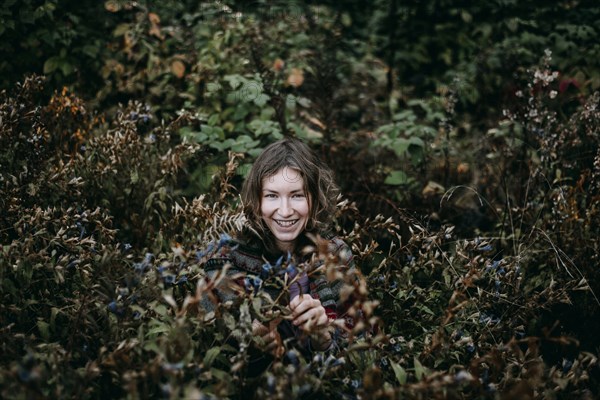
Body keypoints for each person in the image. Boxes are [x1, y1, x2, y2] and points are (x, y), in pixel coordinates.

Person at [200, 137, 355, 367]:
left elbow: (363, 352)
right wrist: (249, 341)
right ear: (257, 200)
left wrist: (324, 339)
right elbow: (208, 348)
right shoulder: (224, 258)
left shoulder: (335, 255)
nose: (285, 211)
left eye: (297, 195)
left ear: (314, 199)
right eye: (272, 195)